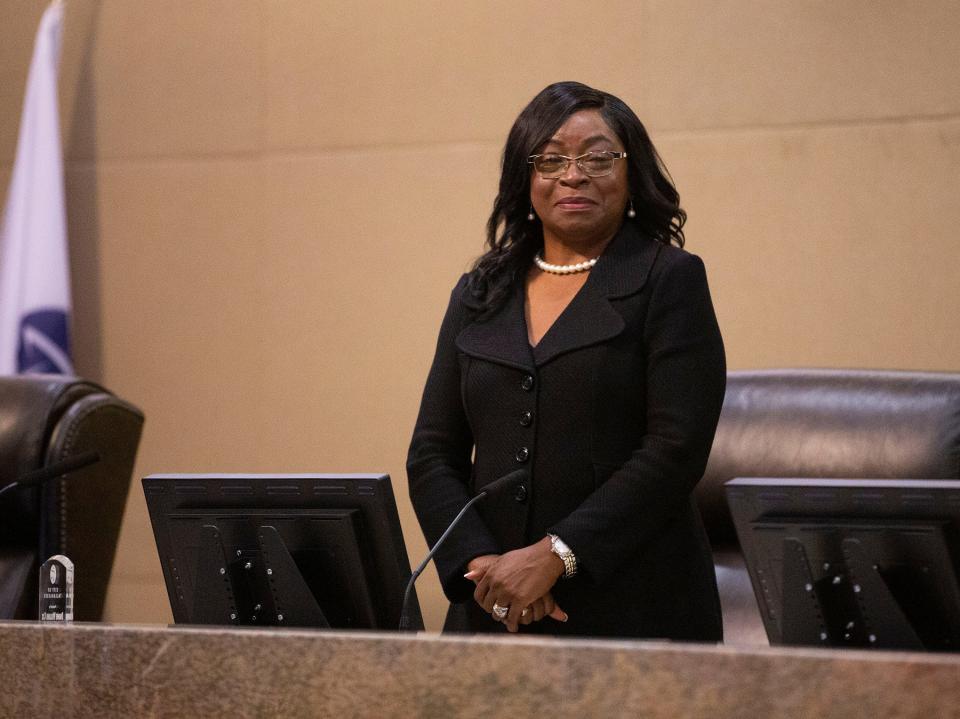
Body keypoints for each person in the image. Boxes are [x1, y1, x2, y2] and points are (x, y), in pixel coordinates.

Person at [407, 81, 726, 639]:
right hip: (494, 609)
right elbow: (432, 453)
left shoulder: (668, 279)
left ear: (632, 173)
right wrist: (482, 567)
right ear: (524, 176)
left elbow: (675, 450)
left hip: (635, 607)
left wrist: (556, 556)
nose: (573, 175)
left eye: (598, 157)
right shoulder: (479, 291)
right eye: (551, 159)